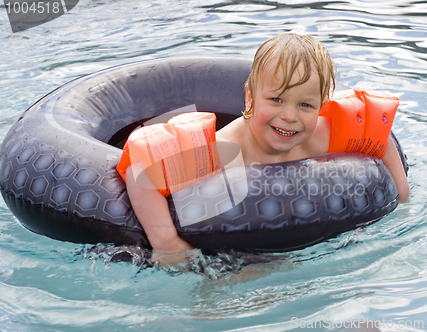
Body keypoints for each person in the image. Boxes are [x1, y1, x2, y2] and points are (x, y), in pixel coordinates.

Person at [124, 33, 410, 261]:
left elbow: (376, 137)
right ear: (249, 98)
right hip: (232, 246)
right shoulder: (225, 149)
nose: (289, 116)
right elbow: (141, 172)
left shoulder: (321, 136)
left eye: (305, 105)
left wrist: (402, 192)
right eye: (276, 100)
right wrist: (165, 242)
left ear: (322, 105)